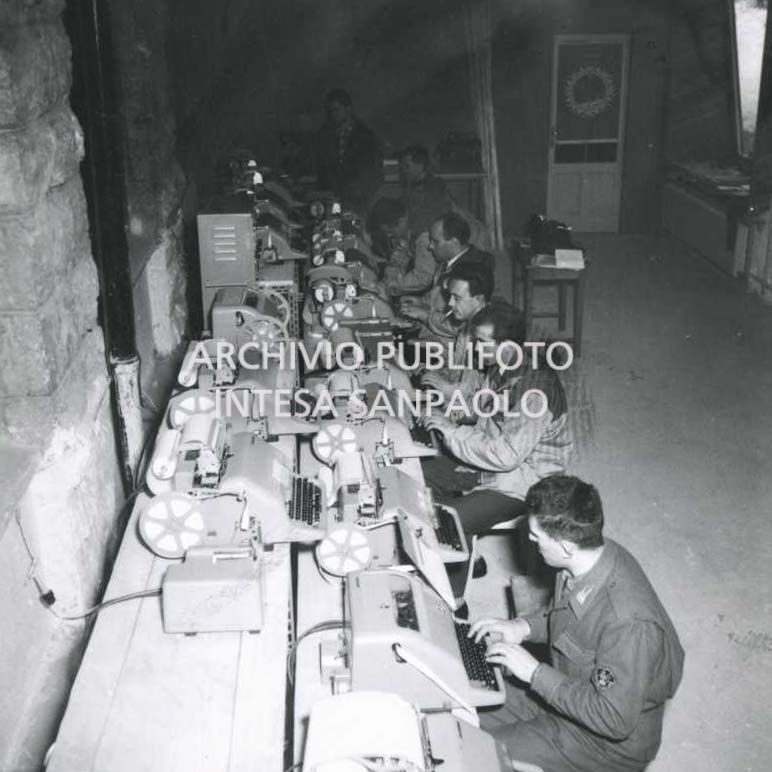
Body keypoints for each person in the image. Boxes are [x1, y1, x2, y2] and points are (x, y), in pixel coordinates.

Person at [470, 475, 685, 772]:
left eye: (536, 536)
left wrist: (534, 673)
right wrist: (523, 627)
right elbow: (567, 618)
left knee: (475, 756)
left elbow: (614, 719)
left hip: (601, 742)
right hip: (566, 689)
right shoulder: (588, 558)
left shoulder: (630, 626)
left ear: (566, 545)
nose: (530, 542)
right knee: (464, 702)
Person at [420, 301, 572, 594]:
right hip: (494, 459)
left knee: (450, 521)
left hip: (527, 480)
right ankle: (468, 557)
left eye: (481, 342)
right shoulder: (502, 366)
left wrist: (452, 433)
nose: (474, 348)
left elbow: (506, 457)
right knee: (421, 472)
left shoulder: (534, 391)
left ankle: (454, 603)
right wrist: (446, 413)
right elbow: (484, 410)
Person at [399, 211, 494, 340]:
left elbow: (461, 326)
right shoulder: (447, 262)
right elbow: (438, 301)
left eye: (435, 241)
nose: (430, 246)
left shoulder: (475, 269)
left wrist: (424, 315)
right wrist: (420, 302)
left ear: (454, 243)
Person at [314, 89, 383, 212]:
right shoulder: (325, 136)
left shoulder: (365, 137)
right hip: (331, 202)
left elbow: (371, 174)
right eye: (330, 111)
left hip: (357, 203)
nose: (333, 114)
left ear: (348, 109)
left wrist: (350, 196)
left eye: (336, 109)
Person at [366, 197, 436, 296]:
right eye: (385, 232)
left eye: (390, 231)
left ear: (402, 221)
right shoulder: (404, 231)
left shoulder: (424, 238)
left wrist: (390, 286)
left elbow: (423, 277)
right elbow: (397, 260)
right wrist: (388, 278)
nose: (388, 236)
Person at [398, 144, 453, 234]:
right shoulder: (408, 187)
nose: (404, 170)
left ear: (420, 165)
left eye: (407, 166)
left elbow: (435, 218)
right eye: (402, 167)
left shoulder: (437, 187)